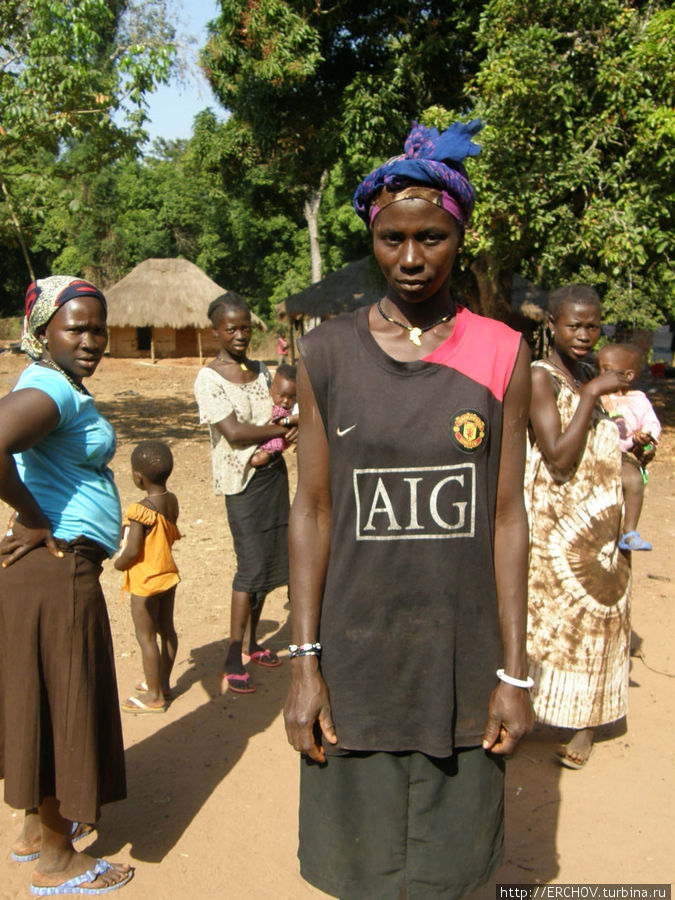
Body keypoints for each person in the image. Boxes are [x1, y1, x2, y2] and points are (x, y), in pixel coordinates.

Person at [283, 121, 534, 900]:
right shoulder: (324, 353)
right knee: (356, 870)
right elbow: (315, 510)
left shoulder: (500, 352)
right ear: (372, 238)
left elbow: (505, 517)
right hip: (356, 662)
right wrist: (304, 664)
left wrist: (514, 673)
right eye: (392, 239)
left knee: (451, 872)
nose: (412, 258)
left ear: (459, 237)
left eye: (431, 236)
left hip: (458, 663)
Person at [0, 276, 132, 893]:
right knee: (65, 705)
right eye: (75, 327)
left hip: (45, 575)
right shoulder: (51, 386)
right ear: (43, 331)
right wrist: (33, 516)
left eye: (98, 328)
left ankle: (34, 833)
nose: (91, 339)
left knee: (41, 698)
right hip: (59, 570)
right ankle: (60, 861)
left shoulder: (51, 384)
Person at [526, 284, 632, 770]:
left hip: (597, 527)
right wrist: (591, 394)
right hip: (552, 530)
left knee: (598, 624)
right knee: (546, 625)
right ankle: (535, 711)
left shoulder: (591, 373)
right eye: (575, 324)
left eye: (593, 325)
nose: (586, 334)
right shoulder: (540, 379)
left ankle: (586, 723)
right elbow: (559, 458)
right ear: (552, 325)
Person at [194, 293, 298, 694]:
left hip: (273, 478)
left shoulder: (261, 370)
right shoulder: (209, 378)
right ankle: (231, 656)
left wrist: (285, 429)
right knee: (250, 567)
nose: (239, 335)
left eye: (245, 328)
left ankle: (254, 643)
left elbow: (281, 412)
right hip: (242, 484)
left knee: (273, 564)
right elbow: (234, 432)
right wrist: (281, 429)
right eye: (231, 329)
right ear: (215, 330)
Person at [114, 440, 181, 713]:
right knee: (166, 630)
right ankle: (162, 682)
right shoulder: (172, 501)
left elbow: (131, 551)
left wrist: (119, 564)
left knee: (146, 638)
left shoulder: (140, 511)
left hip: (145, 581)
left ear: (137, 478)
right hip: (167, 574)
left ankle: (154, 697)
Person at [596, 343, 661, 551]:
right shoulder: (595, 395)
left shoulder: (638, 400)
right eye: (599, 369)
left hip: (623, 455)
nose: (600, 374)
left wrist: (645, 436)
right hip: (596, 454)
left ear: (629, 375)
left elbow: (652, 424)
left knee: (633, 480)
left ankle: (629, 532)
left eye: (607, 370)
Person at [250, 364, 298, 468]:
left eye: (291, 397)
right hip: (267, 434)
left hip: (279, 438)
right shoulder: (266, 402)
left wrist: (287, 422)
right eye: (281, 396)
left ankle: (270, 454)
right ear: (271, 390)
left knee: (274, 444)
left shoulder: (293, 409)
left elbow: (292, 420)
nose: (285, 401)